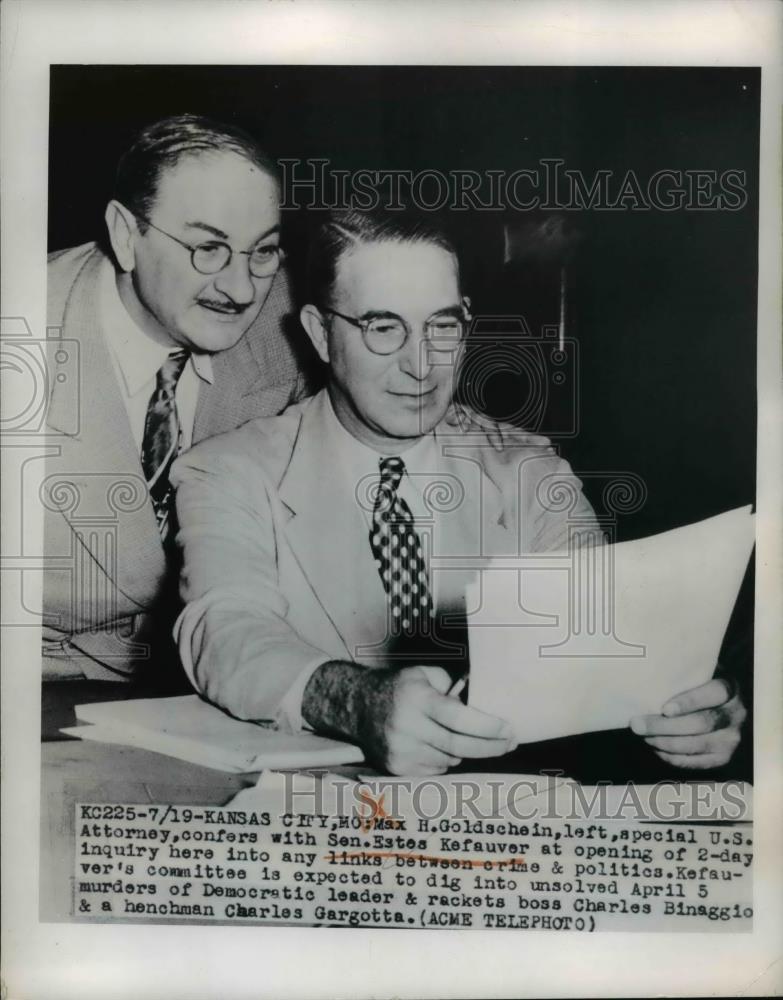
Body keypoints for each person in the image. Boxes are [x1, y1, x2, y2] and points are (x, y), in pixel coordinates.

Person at [173, 209, 746, 777]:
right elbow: (224, 630)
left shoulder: (528, 470)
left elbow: (607, 634)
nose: (420, 364)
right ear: (321, 334)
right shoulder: (229, 471)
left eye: (441, 325)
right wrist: (354, 700)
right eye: (383, 326)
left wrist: (690, 697)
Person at [42, 114, 313, 683]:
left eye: (262, 252)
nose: (241, 290)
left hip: (211, 681)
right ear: (125, 234)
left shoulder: (289, 327)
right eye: (208, 248)